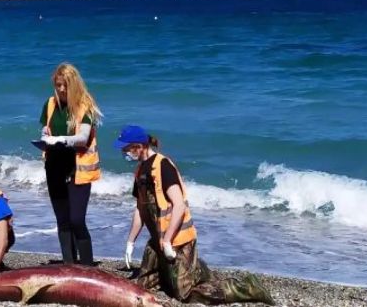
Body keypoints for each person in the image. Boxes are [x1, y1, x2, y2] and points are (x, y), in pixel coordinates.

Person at [117, 125, 274, 305]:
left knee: (185, 294)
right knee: (142, 287)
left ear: (138, 146)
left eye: (126, 148)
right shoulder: (140, 171)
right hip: (158, 241)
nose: (124, 153)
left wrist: (168, 240)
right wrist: (130, 242)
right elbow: (141, 209)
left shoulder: (163, 166)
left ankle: (247, 287)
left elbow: (179, 205)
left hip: (178, 239)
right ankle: (196, 270)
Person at [39, 62, 101, 265]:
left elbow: (82, 138)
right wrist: (46, 136)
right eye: (58, 85)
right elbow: (45, 129)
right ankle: (68, 264)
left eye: (65, 85)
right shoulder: (50, 104)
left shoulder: (85, 106)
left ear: (74, 84)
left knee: (76, 219)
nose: (62, 90)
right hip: (54, 166)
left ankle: (87, 266)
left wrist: (61, 140)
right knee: (63, 221)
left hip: (77, 169)